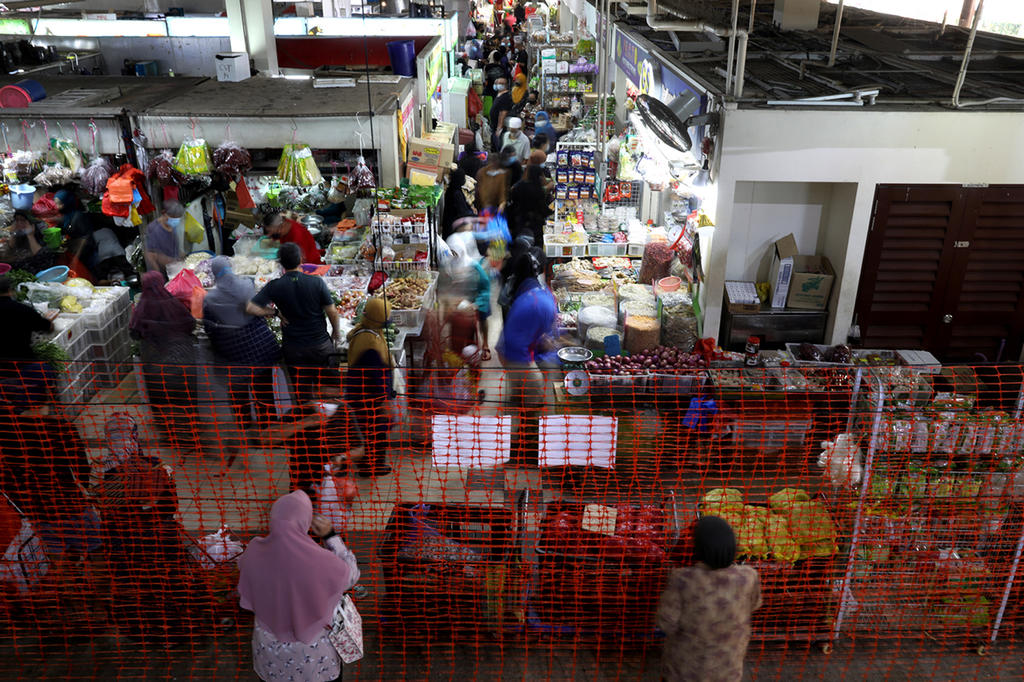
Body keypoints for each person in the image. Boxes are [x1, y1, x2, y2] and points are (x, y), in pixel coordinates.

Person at [92, 412, 199, 644]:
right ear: (134, 435)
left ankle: (139, 628)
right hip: (161, 539)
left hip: (123, 545)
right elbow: (172, 506)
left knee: (133, 583)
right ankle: (174, 626)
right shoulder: (158, 466)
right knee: (169, 578)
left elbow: (104, 509)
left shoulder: (97, 472)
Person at [238, 490, 360, 682]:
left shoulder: (253, 551)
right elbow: (351, 574)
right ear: (306, 521)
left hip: (270, 658)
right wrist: (331, 536)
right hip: (315, 661)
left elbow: (244, 572)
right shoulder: (322, 562)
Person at [657, 516, 762, 682]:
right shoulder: (748, 576)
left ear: (698, 549)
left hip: (685, 671)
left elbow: (666, 622)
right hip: (728, 668)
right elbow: (755, 604)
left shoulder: (683, 579)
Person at [0, 403, 99, 557]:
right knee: (96, 554)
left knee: (61, 564)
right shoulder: (60, 427)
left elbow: (6, 483)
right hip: (71, 507)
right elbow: (82, 471)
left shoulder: (6, 436)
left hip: (37, 513)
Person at [248, 243, 341, 405]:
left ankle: (306, 425)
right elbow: (332, 312)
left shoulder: (275, 286)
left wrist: (275, 313)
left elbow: (251, 307)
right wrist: (336, 332)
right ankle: (329, 423)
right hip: (320, 346)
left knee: (302, 393)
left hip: (294, 349)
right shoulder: (316, 282)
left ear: (281, 264)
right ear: (300, 259)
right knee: (328, 390)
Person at [203, 257, 281, 439]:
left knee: (237, 393)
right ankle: (268, 429)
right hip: (258, 349)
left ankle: (244, 428)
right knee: (264, 391)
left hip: (232, 353)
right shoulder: (246, 285)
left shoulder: (210, 298)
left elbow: (208, 327)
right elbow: (258, 309)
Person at [129, 271, 198, 448]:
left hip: (157, 366)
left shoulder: (143, 308)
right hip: (183, 360)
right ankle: (191, 434)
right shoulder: (173, 303)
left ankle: (171, 435)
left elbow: (134, 333)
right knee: (186, 399)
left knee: (163, 401)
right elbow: (190, 323)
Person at [345, 297, 395, 478]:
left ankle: (366, 465)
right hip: (369, 397)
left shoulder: (364, 332)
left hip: (358, 392)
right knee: (375, 432)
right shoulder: (371, 343)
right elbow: (377, 375)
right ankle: (373, 467)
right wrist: (384, 400)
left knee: (365, 430)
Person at [0, 274, 56, 406]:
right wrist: (48, 320)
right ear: (10, 290)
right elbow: (48, 328)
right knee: (44, 371)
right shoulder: (22, 309)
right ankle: (36, 411)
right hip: (23, 367)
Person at [444, 232, 492, 362]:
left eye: (456, 252)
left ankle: (482, 348)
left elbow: (485, 289)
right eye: (451, 252)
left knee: (472, 338)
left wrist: (475, 305)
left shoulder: (474, 266)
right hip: (458, 313)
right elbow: (446, 288)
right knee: (458, 343)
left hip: (472, 309)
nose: (453, 255)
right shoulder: (449, 264)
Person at [507, 163, 552, 246]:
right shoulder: (538, 189)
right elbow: (542, 208)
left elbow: (512, 199)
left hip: (519, 221)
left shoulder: (519, 186)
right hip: (535, 224)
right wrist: (551, 212)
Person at [144, 200, 184, 277]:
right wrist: (159, 275)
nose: (176, 221)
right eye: (173, 218)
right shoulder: (153, 229)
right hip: (161, 271)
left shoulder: (172, 225)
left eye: (177, 218)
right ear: (164, 213)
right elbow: (150, 255)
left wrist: (179, 256)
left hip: (173, 268)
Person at [441, 169, 478, 241]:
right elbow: (462, 211)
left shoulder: (452, 189)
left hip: (449, 225)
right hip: (453, 228)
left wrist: (470, 208)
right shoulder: (456, 193)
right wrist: (473, 214)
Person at [488, 78, 514, 149]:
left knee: (499, 145)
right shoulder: (499, 94)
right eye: (496, 83)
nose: (497, 85)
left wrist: (499, 128)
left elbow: (503, 113)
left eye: (500, 83)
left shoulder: (505, 96)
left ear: (505, 85)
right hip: (494, 126)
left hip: (499, 128)